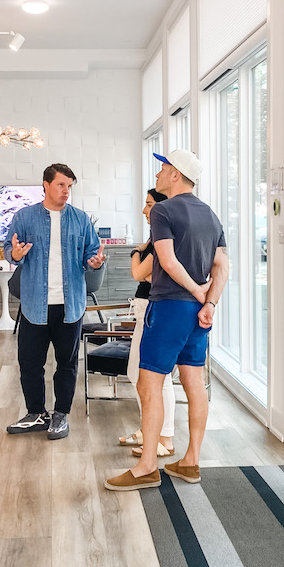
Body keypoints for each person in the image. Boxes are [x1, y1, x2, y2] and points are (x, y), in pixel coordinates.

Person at [105, 149, 228, 491]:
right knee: (193, 383)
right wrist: (210, 302)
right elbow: (222, 266)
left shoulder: (162, 210)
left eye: (163, 169)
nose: (158, 174)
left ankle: (146, 467)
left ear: (176, 174)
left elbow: (169, 263)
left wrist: (198, 294)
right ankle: (190, 461)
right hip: (198, 315)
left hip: (171, 307)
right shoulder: (210, 214)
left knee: (149, 384)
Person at [5, 163, 105, 440]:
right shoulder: (24, 217)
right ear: (46, 185)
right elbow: (9, 252)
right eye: (61, 185)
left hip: (69, 306)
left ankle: (60, 414)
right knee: (29, 362)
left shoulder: (81, 219)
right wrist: (14, 254)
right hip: (35, 304)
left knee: (67, 363)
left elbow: (92, 253)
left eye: (69, 186)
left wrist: (95, 262)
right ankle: (36, 412)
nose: (66, 191)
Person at [117, 187, 176, 458]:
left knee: (158, 379)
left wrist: (135, 252)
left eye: (149, 204)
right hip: (144, 310)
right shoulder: (154, 239)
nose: (144, 210)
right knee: (135, 374)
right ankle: (148, 428)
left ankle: (165, 437)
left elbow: (139, 274)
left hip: (154, 311)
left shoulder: (161, 239)